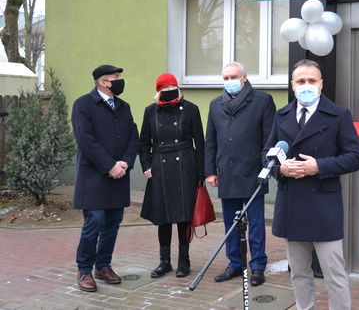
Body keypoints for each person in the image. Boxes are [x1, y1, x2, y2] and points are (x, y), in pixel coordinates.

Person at [264, 59, 359, 309]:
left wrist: (319, 166)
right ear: (292, 85)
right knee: (298, 273)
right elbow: (266, 152)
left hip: (324, 205)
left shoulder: (339, 115)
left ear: (321, 85)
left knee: (334, 275)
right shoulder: (282, 115)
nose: (306, 86)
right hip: (291, 205)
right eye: (301, 81)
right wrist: (281, 168)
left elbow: (355, 157)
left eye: (311, 81)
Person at [204, 61, 276, 287]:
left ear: (244, 78)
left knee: (255, 223)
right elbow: (210, 141)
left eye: (233, 77)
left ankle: (257, 266)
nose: (229, 81)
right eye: (225, 78)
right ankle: (235, 263)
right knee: (231, 222)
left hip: (253, 173)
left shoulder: (262, 101)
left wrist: (268, 167)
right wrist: (210, 171)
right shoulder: (216, 105)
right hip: (226, 172)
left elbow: (269, 138)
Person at [71, 64, 139, 292]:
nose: (120, 80)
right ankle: (84, 269)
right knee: (95, 222)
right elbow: (86, 140)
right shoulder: (83, 105)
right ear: (102, 81)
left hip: (119, 174)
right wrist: (109, 165)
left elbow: (132, 135)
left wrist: (126, 163)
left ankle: (103, 266)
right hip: (94, 176)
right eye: (115, 77)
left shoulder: (123, 106)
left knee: (112, 223)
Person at [139, 73, 204, 278]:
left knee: (184, 216)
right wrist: (147, 165)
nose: (169, 92)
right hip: (160, 166)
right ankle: (164, 261)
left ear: (177, 88)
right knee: (163, 217)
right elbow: (143, 143)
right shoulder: (150, 112)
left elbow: (200, 144)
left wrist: (202, 173)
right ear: (158, 91)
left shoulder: (191, 109)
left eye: (172, 88)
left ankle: (184, 261)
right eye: (164, 89)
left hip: (186, 165)